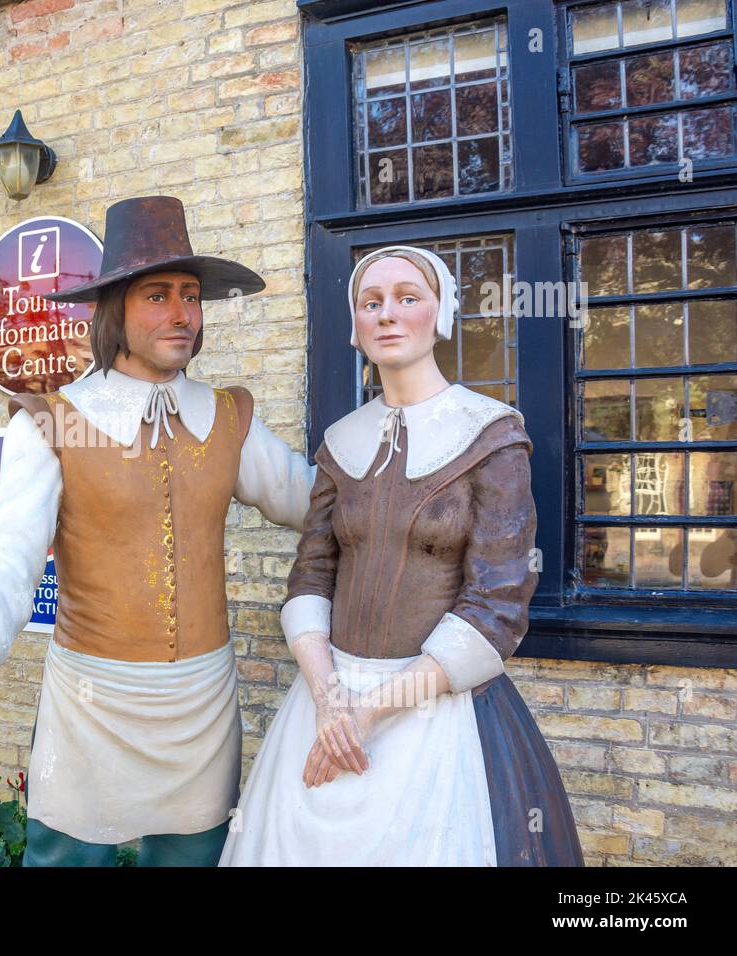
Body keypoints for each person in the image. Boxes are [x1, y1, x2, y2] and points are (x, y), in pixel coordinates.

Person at [0, 195, 316, 866]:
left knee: (192, 860)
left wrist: (414, 470)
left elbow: (308, 498)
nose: (182, 314)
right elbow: (9, 556)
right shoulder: (58, 420)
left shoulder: (229, 417)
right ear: (113, 309)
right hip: (91, 706)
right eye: (158, 296)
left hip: (201, 706)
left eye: (191, 296)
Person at [219, 244, 584, 866]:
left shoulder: (492, 434)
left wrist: (367, 714)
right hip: (327, 695)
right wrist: (331, 701)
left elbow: (497, 602)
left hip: (435, 709)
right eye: (371, 302)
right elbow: (313, 571)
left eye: (408, 298)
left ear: (437, 315)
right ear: (356, 324)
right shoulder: (342, 441)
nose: (388, 314)